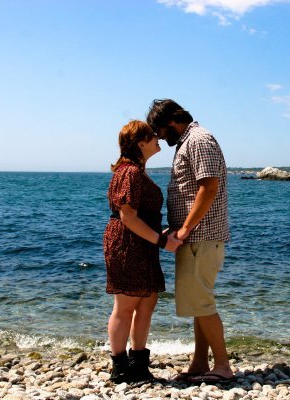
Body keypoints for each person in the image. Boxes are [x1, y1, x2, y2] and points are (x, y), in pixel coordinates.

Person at [147, 99, 234, 384]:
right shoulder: (191, 140)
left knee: (202, 303)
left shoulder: (198, 139)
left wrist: (184, 230)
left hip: (201, 236)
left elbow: (208, 187)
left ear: (172, 121)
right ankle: (200, 362)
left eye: (159, 130)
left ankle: (222, 365)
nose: (159, 136)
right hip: (199, 236)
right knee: (199, 303)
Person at [103, 120, 182, 383]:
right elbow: (128, 217)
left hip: (142, 243)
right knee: (125, 305)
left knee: (147, 301)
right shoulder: (130, 173)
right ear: (140, 143)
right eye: (152, 136)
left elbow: (141, 217)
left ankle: (138, 365)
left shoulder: (137, 170)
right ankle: (120, 368)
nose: (157, 137)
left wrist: (160, 235)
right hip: (127, 242)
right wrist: (162, 242)